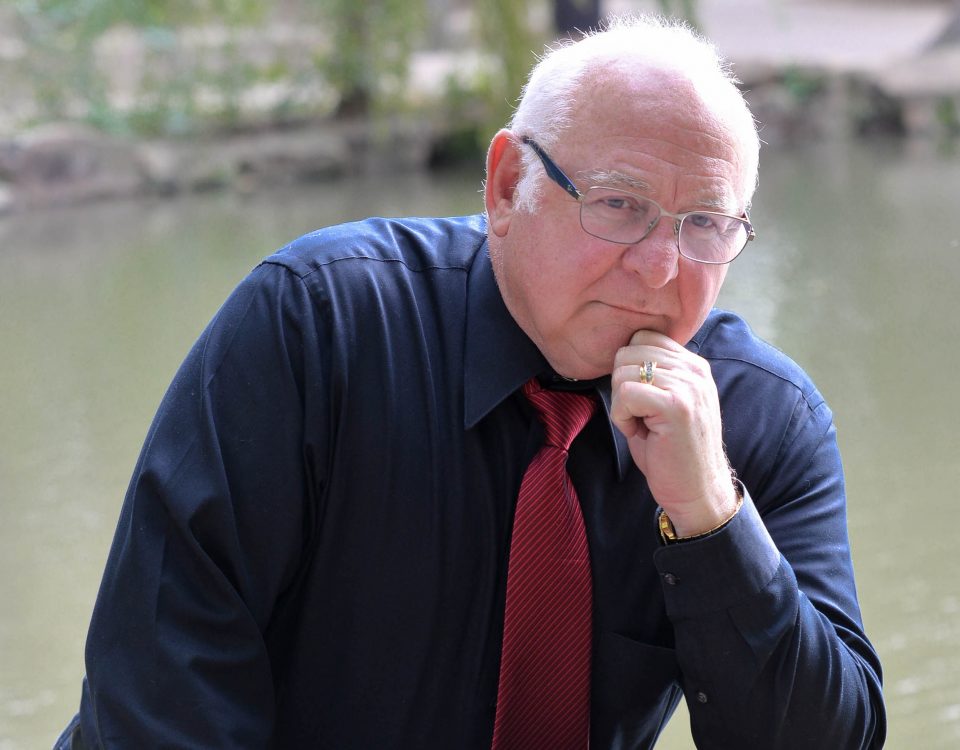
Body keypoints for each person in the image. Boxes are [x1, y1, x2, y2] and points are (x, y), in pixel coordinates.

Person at [56, 15, 886, 749]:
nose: (661, 269)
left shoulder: (763, 418)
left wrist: (710, 522)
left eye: (704, 223)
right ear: (505, 186)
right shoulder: (317, 324)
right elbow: (161, 694)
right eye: (619, 205)